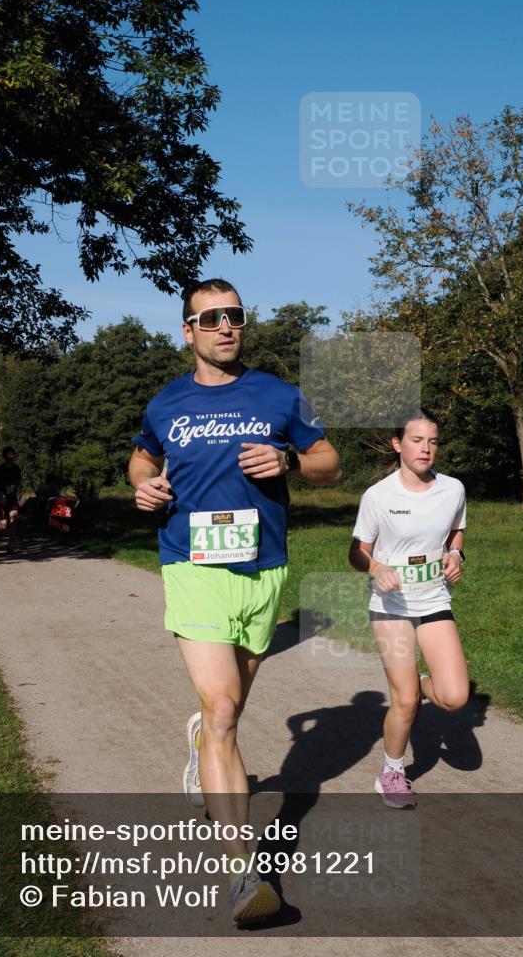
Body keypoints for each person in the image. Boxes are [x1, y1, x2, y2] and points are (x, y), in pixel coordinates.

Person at [129, 278, 342, 926]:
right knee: (224, 709)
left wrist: (290, 463)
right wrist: (145, 487)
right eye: (210, 318)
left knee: (226, 711)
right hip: (191, 565)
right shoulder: (167, 403)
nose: (226, 327)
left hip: (262, 569)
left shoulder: (278, 394)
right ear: (188, 332)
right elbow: (140, 459)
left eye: (235, 316)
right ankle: (240, 872)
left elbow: (329, 462)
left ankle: (202, 745)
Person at [348, 408, 469, 810]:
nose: (426, 449)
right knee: (403, 701)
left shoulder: (453, 489)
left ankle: (414, 682)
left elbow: (456, 531)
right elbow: (357, 552)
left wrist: (456, 554)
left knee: (454, 697)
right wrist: (376, 567)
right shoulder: (378, 496)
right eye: (417, 440)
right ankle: (392, 773)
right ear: (398, 444)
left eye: (433, 441)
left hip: (434, 598)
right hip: (391, 605)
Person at [0, 446, 22, 553]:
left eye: (12, 455)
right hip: (2, 498)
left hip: (12, 498)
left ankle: (10, 545)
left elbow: (18, 482)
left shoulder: (16, 469)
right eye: (8, 455)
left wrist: (15, 488)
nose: (11, 457)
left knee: (14, 518)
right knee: (2, 524)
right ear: (4, 456)